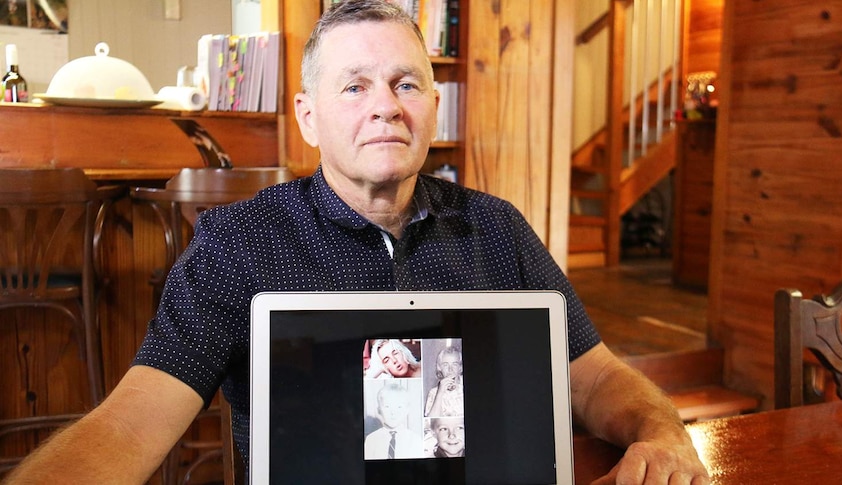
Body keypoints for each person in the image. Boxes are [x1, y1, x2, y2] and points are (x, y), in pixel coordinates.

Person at [6, 1, 710, 484]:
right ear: (308, 117)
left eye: (407, 83)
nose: (385, 104)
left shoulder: (498, 230)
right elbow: (132, 424)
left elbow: (593, 376)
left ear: (433, 106)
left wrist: (662, 430)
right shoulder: (241, 243)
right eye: (355, 86)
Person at [363, 382, 424, 459]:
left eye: (399, 407)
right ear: (379, 410)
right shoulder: (371, 440)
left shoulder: (415, 440)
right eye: (387, 406)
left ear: (407, 410)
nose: (393, 412)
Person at [424, 345, 463, 417]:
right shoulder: (433, 393)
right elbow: (431, 421)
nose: (450, 369)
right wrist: (440, 392)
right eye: (445, 365)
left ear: (460, 368)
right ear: (439, 367)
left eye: (455, 364)